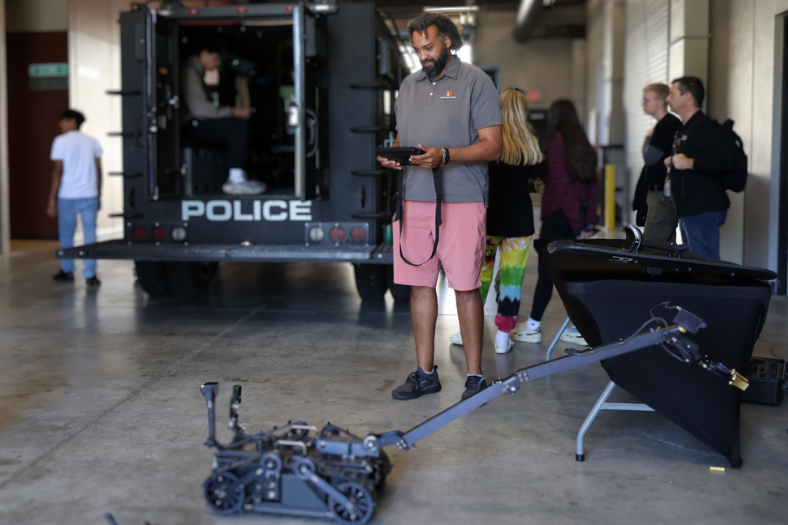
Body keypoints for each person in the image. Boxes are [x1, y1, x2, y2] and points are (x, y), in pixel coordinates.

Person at [376, 12, 502, 401]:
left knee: (465, 286)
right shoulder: (408, 86)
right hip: (413, 199)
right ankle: (425, 373)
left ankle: (476, 378)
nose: (422, 56)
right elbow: (403, 137)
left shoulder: (476, 82)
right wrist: (395, 156)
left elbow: (493, 146)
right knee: (419, 285)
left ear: (448, 40)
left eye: (428, 47)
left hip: (463, 200)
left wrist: (446, 155)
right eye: (417, 50)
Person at [448, 88, 543, 354]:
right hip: (520, 223)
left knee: (479, 277)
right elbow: (537, 179)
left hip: (487, 220)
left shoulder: (487, 141)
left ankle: (467, 333)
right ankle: (503, 337)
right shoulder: (530, 142)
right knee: (512, 280)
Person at [510, 100, 599, 345]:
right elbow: (594, 188)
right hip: (577, 219)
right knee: (575, 275)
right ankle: (582, 330)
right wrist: (587, 222)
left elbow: (562, 190)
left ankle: (533, 327)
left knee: (547, 273)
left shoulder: (556, 147)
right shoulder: (585, 147)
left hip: (558, 218)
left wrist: (578, 223)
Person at [181, 41, 266, 195]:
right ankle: (236, 180)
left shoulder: (197, 71)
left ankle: (241, 176)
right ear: (205, 53)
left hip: (196, 122)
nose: (218, 64)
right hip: (192, 124)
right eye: (217, 58)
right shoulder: (189, 70)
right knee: (237, 125)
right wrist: (233, 112)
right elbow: (200, 110)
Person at [664, 76, 734, 260]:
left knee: (705, 265)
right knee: (693, 263)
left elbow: (726, 161)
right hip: (688, 209)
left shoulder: (705, 127)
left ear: (687, 97)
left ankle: (713, 290)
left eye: (672, 93)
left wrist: (689, 163)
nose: (667, 98)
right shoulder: (686, 127)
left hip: (702, 209)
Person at [47, 109, 103, 286]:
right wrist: (98, 193)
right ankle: (90, 274)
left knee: (66, 234)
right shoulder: (92, 142)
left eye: (63, 121)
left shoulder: (60, 141)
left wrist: (52, 198)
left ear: (72, 121)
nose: (60, 125)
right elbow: (99, 171)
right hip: (89, 195)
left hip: (68, 196)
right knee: (90, 234)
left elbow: (57, 171)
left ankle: (68, 270)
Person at [636, 83, 681, 241]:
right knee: (664, 249)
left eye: (646, 100)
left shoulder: (667, 125)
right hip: (662, 194)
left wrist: (649, 137)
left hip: (662, 195)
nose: (643, 104)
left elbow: (649, 158)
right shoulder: (665, 125)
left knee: (654, 249)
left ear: (660, 101)